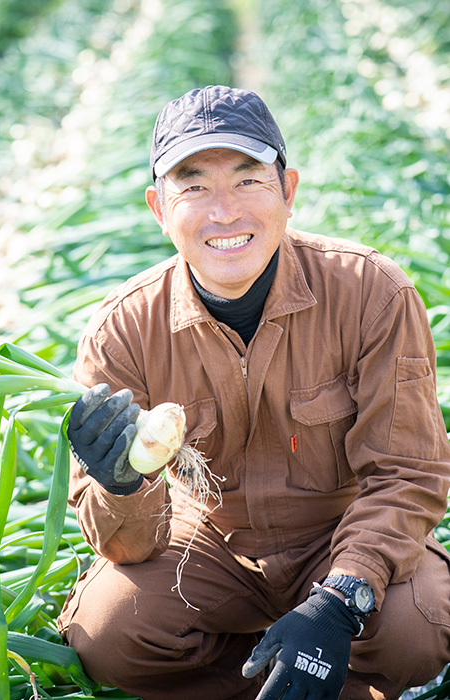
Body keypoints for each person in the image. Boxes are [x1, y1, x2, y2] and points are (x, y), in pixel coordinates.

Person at [58, 85, 450, 700]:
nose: (224, 212)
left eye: (247, 180)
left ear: (288, 191)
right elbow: (129, 545)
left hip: (338, 530)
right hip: (209, 545)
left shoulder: (373, 293)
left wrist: (342, 597)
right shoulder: (124, 328)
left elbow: (406, 474)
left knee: (415, 630)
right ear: (159, 209)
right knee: (109, 633)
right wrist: (120, 485)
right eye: (193, 187)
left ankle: (314, 647)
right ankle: (277, 675)